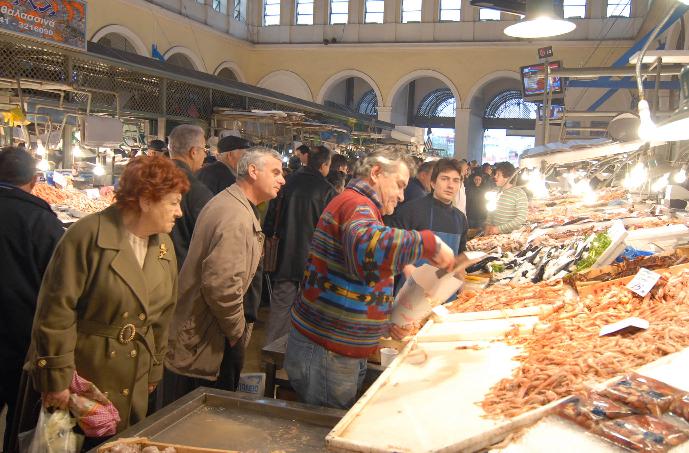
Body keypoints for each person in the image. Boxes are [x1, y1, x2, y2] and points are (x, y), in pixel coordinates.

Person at [25, 156, 188, 446]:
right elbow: (56, 310)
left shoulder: (163, 245)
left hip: (135, 376)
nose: (179, 212)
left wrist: (155, 367)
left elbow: (164, 315)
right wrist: (56, 377)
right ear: (146, 200)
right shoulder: (87, 235)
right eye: (173, 202)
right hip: (85, 378)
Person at [284, 147, 455, 409]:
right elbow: (367, 247)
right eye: (398, 185)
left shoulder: (362, 206)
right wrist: (428, 243)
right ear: (376, 173)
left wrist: (383, 320)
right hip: (327, 351)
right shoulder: (356, 205)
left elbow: (357, 274)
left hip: (337, 350)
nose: (400, 196)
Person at [166, 147, 285, 393]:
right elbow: (221, 284)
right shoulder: (235, 215)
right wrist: (236, 331)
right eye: (275, 172)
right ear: (253, 171)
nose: (282, 179)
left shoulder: (235, 204)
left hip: (210, 333)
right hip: (209, 337)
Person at [0, 147, 64, 451]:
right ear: (35, 179)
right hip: (21, 338)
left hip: (18, 336)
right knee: (19, 418)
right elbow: (58, 287)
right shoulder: (41, 221)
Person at [265, 146, 335, 346]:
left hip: (284, 257)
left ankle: (271, 355)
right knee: (307, 313)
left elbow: (270, 220)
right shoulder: (327, 190)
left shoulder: (287, 184)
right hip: (313, 263)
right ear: (324, 165)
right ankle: (296, 356)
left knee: (280, 308)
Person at [389, 158, 468, 259]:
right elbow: (393, 250)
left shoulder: (461, 219)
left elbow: (460, 255)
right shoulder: (410, 210)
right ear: (433, 183)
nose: (450, 186)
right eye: (444, 179)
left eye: (456, 181)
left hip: (449, 275)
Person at [168, 124, 213, 268]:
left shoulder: (151, 177)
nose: (205, 155)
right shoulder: (196, 189)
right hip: (182, 269)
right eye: (204, 150)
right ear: (193, 152)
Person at [485, 161, 528, 235]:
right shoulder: (494, 191)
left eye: (498, 175)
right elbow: (490, 212)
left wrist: (499, 229)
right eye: (495, 174)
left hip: (511, 237)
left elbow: (521, 218)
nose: (495, 176)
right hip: (494, 235)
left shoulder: (519, 193)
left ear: (507, 177)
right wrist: (487, 228)